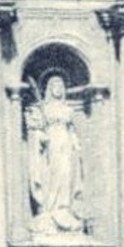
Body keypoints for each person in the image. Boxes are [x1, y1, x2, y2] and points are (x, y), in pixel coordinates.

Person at [26, 73, 85, 234]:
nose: (58, 89)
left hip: (66, 145)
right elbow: (36, 128)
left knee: (66, 174)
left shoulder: (68, 110)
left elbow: (72, 130)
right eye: (54, 86)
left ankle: (63, 208)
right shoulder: (44, 108)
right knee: (52, 174)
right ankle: (49, 208)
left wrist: (76, 146)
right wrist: (40, 136)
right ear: (49, 89)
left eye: (61, 86)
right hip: (51, 144)